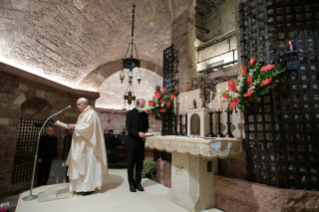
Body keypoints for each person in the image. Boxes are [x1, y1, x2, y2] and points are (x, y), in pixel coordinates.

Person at [66, 97, 108, 196]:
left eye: (79, 104)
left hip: (89, 146)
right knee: (82, 164)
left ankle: (89, 187)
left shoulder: (91, 113)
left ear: (85, 104)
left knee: (88, 166)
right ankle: (79, 187)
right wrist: (74, 127)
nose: (78, 107)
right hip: (82, 144)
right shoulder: (83, 114)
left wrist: (75, 126)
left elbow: (88, 128)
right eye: (77, 105)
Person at [126, 98, 153, 192]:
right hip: (132, 142)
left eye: (143, 106)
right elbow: (129, 128)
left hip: (141, 142)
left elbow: (146, 126)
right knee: (131, 164)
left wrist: (148, 129)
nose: (142, 108)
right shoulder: (129, 114)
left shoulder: (145, 115)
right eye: (141, 106)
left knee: (139, 164)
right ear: (136, 105)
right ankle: (131, 184)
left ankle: (138, 182)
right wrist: (138, 133)